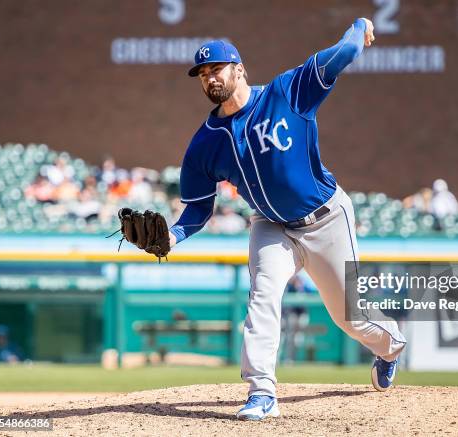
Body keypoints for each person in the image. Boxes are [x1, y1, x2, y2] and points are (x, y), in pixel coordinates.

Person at [168, 18, 406, 420]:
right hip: (270, 225)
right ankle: (262, 392)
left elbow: (343, 54)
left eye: (217, 69)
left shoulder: (287, 92)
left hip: (327, 219)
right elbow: (196, 208)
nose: (210, 78)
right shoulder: (204, 143)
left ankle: (391, 346)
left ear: (239, 69)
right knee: (262, 296)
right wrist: (172, 236)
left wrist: (360, 26)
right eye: (203, 74)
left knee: (349, 316)